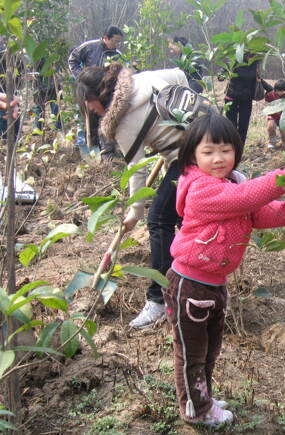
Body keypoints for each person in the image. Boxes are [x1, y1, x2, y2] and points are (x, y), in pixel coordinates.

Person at [164, 113, 285, 425]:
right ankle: (196, 411)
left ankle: (203, 399)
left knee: (210, 349)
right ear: (192, 156)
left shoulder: (229, 183)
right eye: (209, 152)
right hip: (189, 284)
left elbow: (259, 214)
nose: (219, 159)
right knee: (192, 354)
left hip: (213, 284)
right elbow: (245, 198)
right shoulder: (202, 190)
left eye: (226, 150)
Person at [77, 62, 193, 329]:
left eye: (89, 103)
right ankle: (188, 282)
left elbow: (136, 169)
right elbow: (179, 75)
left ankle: (159, 300)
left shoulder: (123, 122)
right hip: (209, 140)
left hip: (188, 157)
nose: (91, 110)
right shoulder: (146, 77)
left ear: (97, 96)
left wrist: (135, 212)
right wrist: (180, 124)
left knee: (158, 219)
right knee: (181, 215)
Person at [69, 26, 123, 159]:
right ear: (106, 38)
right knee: (83, 120)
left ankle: (104, 150)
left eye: (118, 42)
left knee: (102, 120)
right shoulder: (89, 47)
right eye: (115, 41)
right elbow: (72, 60)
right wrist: (81, 76)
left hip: (103, 94)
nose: (116, 45)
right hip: (86, 89)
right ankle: (83, 151)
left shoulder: (117, 55)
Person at [222, 53, 260, 147]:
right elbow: (224, 70)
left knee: (243, 125)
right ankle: (231, 147)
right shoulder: (235, 60)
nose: (250, 57)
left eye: (252, 55)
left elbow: (258, 79)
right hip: (232, 97)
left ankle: (239, 148)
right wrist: (221, 74)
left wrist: (271, 89)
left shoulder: (255, 64)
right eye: (248, 55)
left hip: (246, 99)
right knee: (231, 125)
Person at [262, 78, 285, 150]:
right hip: (273, 115)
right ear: (275, 90)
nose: (281, 93)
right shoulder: (270, 94)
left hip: (284, 117)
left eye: (283, 91)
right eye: (279, 91)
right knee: (270, 127)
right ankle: (272, 142)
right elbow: (267, 103)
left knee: (284, 131)